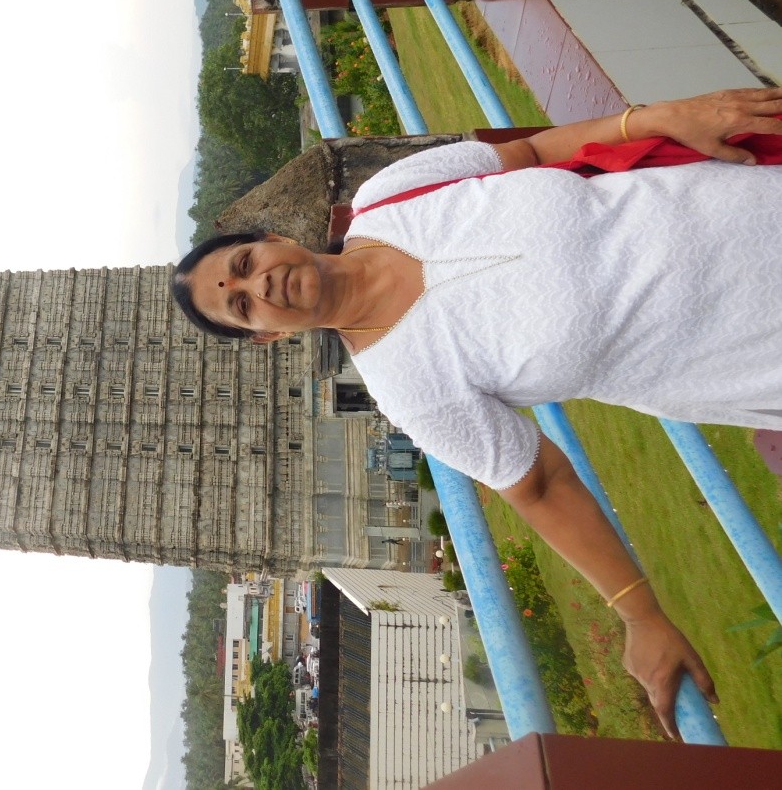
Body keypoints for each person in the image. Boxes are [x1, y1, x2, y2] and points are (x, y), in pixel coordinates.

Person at [172, 87, 782, 739]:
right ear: (265, 335)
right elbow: (538, 483)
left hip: (738, 191)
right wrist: (639, 616)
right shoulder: (411, 390)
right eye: (241, 305)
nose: (256, 284)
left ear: (270, 239)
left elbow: (529, 151)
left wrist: (658, 116)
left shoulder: (390, 195)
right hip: (748, 343)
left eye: (243, 264)